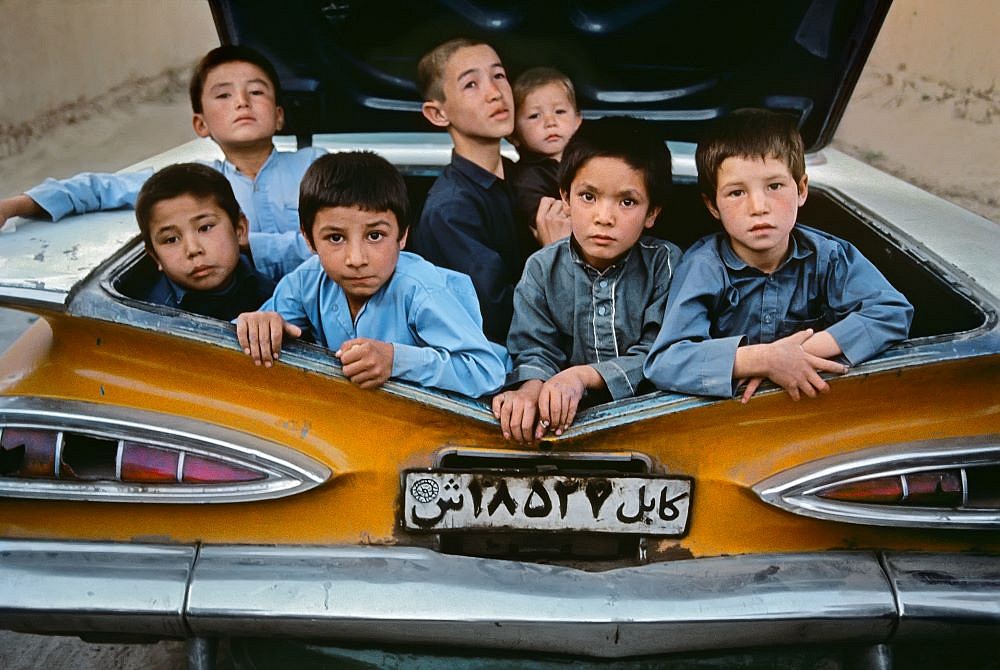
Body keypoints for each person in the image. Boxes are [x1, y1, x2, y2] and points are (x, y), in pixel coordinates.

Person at [643, 108, 913, 402]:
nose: (758, 206)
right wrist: (763, 359)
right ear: (712, 206)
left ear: (801, 190)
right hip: (727, 419)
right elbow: (667, 361)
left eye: (774, 186)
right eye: (736, 193)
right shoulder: (703, 266)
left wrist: (793, 354)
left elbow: (892, 312)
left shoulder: (828, 256)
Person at [0, 45, 321, 281]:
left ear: (279, 116)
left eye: (256, 91)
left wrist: (252, 243)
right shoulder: (196, 183)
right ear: (201, 125)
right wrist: (14, 206)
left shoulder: (318, 168)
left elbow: (349, 240)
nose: (242, 102)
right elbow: (100, 189)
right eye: (223, 96)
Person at [234, 151, 509, 398]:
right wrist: (259, 324)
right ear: (308, 240)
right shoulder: (306, 281)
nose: (356, 259)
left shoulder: (419, 288)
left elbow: (485, 371)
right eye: (335, 238)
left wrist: (395, 360)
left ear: (402, 235)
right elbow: (252, 331)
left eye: (375, 235)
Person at [492, 117, 681, 442]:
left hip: (651, 425)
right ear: (565, 197)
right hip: (562, 434)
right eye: (588, 197)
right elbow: (535, 349)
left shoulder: (664, 265)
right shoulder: (541, 267)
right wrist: (531, 388)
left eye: (627, 202)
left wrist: (581, 376)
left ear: (652, 213)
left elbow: (661, 354)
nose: (604, 217)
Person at [407, 38, 522, 345]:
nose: (495, 93)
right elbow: (497, 318)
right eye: (471, 84)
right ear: (438, 114)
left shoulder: (523, 176)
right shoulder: (450, 209)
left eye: (498, 75)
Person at [134, 162, 274, 320]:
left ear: (239, 230)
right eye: (171, 239)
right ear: (155, 257)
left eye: (205, 228)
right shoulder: (155, 319)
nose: (193, 249)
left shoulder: (264, 285)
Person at [508, 66, 583, 253]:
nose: (550, 121)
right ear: (513, 135)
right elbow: (548, 225)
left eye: (560, 112)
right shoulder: (526, 180)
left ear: (577, 121)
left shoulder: (589, 162)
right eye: (534, 116)